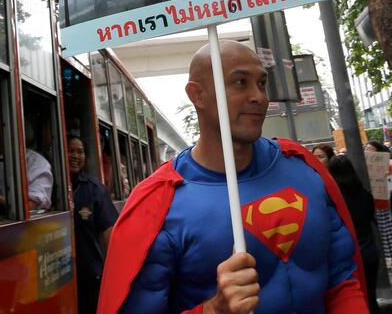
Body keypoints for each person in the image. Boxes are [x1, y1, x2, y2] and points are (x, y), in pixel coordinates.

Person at [98, 40, 368, 314]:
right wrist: (213, 310)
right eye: (240, 82)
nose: (259, 97)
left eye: (261, 83)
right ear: (198, 95)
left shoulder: (303, 168)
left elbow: (343, 280)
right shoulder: (160, 206)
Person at [68, 134, 120, 314]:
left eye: (80, 152)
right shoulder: (52, 186)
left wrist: (114, 277)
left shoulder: (94, 189)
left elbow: (110, 234)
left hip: (91, 278)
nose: (75, 156)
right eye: (70, 151)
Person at [328, 155, 380, 314]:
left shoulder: (334, 199)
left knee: (354, 297)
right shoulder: (365, 194)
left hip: (350, 255)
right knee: (371, 296)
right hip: (370, 252)